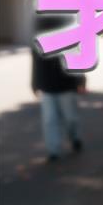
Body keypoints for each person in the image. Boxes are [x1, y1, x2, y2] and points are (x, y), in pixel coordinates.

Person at [31, 16, 86, 163]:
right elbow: (35, 64)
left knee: (71, 118)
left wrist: (81, 81)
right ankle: (53, 150)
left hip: (66, 85)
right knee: (49, 120)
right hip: (47, 87)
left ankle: (75, 138)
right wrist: (34, 84)